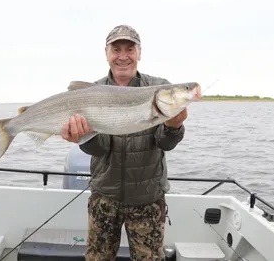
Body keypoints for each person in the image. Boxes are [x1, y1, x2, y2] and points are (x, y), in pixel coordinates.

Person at [61, 25, 188, 261]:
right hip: (104, 199)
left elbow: (166, 144)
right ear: (106, 53)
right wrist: (82, 139)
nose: (123, 56)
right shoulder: (93, 91)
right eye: (116, 49)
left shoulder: (159, 88)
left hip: (148, 201)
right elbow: (100, 148)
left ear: (139, 53)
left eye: (129, 49)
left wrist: (174, 127)